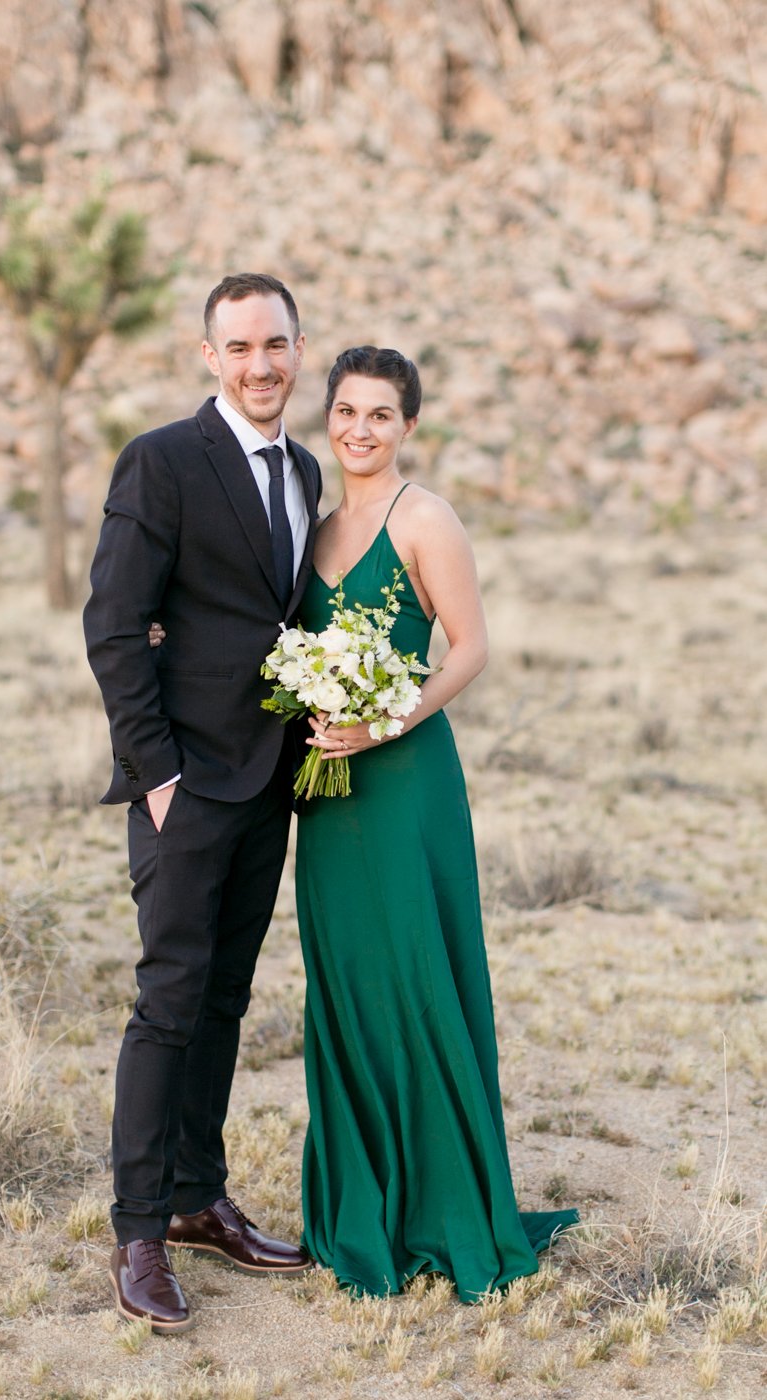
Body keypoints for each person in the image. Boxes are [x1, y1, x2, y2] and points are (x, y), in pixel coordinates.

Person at [294, 346, 578, 1298]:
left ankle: (446, 1207)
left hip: (407, 779)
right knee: (347, 984)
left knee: (418, 974)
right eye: (344, 411)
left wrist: (384, 718)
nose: (358, 430)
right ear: (325, 417)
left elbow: (470, 647)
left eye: (380, 414)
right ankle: (362, 1204)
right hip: (328, 793)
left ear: (408, 425)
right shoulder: (317, 524)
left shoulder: (424, 518)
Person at [83, 273, 321, 1333]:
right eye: (240, 346)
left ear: (298, 349)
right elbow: (115, 622)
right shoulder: (164, 459)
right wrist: (158, 772)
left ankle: (195, 1194)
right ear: (207, 354)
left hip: (268, 781)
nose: (260, 363)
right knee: (169, 999)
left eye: (275, 343)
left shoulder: (306, 469)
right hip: (186, 783)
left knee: (224, 999)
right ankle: (138, 1228)